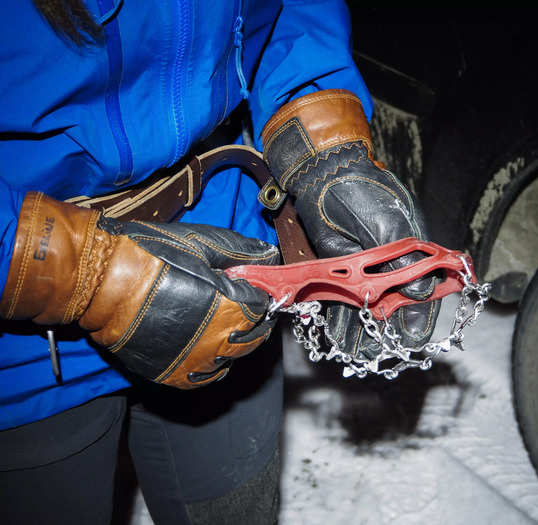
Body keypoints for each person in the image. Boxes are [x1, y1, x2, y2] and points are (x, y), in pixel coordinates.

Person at [0, 1, 439, 523]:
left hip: (227, 267)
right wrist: (85, 272)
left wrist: (327, 148)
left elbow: (290, 14)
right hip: (26, 333)